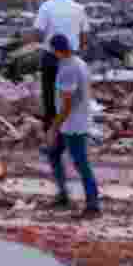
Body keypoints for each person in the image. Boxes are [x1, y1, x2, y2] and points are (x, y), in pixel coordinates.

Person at [44, 33, 101, 218]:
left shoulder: (67, 70)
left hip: (72, 125)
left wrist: (54, 127)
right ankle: (63, 195)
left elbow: (67, 104)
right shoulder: (79, 62)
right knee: (53, 153)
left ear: (56, 50)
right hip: (74, 121)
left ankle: (93, 205)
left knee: (81, 163)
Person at [32, 0, 89, 133]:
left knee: (50, 97)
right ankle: (70, 132)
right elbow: (85, 37)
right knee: (71, 98)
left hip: (51, 57)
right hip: (71, 57)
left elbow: (38, 34)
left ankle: (51, 132)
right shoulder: (79, 8)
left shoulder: (46, 7)